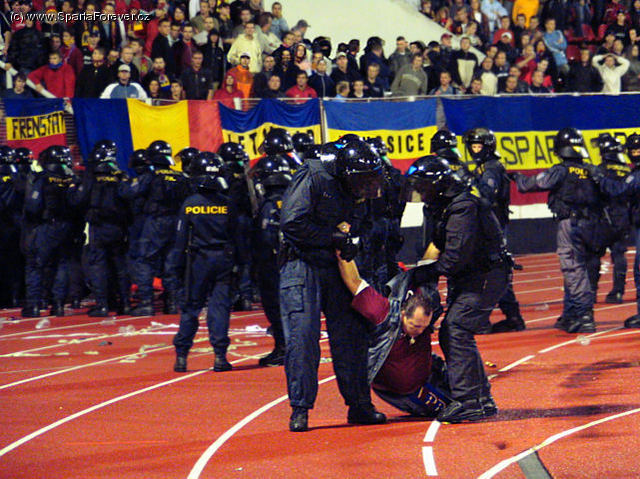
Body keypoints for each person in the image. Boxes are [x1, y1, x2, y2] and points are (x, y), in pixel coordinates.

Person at [280, 139, 388, 432]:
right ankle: (300, 408)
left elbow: (365, 224)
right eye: (362, 181)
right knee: (303, 336)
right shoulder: (314, 176)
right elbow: (291, 222)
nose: (366, 188)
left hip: (337, 263)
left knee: (352, 335)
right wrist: (332, 237)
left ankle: (359, 405)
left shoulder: (359, 188)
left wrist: (354, 242)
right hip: (302, 263)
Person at [405, 155, 510, 423]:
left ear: (438, 185)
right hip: (472, 275)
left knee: (456, 329)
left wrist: (425, 272)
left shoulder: (463, 207)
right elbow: (437, 246)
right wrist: (419, 272)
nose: (420, 193)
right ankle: (480, 399)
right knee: (455, 331)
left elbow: (454, 257)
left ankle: (468, 401)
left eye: (423, 187)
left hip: (485, 275)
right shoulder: (443, 206)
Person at [336, 256, 451, 418]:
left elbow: (428, 264)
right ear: (403, 314)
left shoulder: (427, 302)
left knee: (471, 398)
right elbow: (355, 282)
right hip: (403, 392)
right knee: (452, 410)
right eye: (415, 326)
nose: (420, 331)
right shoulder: (383, 313)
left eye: (424, 327)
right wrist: (342, 251)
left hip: (431, 373)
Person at [514, 128, 601, 333]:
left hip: (570, 224)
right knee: (584, 268)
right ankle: (570, 314)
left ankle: (584, 315)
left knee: (573, 268)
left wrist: (517, 177)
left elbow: (532, 184)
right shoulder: (591, 169)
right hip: (593, 224)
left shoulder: (561, 170)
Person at [169, 152, 237, 373]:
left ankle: (182, 356)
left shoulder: (190, 204)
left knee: (191, 307)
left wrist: (175, 269)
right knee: (219, 308)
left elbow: (180, 240)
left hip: (197, 261)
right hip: (223, 260)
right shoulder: (228, 204)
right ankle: (220, 356)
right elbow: (237, 236)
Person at [464, 129, 525, 333]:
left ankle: (488, 318)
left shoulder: (490, 168)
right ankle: (512, 316)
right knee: (496, 270)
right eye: (472, 146)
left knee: (492, 271)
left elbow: (486, 195)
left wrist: (468, 187)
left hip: (492, 227)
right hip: (490, 225)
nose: (475, 150)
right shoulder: (485, 167)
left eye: (478, 146)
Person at [129, 141, 190, 316]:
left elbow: (128, 192)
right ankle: (172, 303)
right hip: (176, 223)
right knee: (171, 263)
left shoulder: (150, 176)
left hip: (156, 222)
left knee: (144, 260)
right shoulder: (180, 177)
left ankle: (146, 303)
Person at [73, 141, 131, 316]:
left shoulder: (92, 176)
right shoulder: (121, 175)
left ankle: (103, 304)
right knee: (119, 265)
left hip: (98, 226)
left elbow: (78, 200)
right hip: (119, 227)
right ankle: (125, 303)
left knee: (98, 265)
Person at [21, 146, 78, 318]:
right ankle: (58, 305)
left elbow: (33, 206)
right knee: (62, 264)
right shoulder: (72, 178)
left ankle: (34, 305)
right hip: (67, 226)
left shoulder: (43, 178)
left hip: (47, 226)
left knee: (35, 265)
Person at [249, 155, 292, 366]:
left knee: (274, 306)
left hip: (273, 264)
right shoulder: (294, 200)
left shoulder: (269, 205)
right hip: (294, 262)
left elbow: (265, 237)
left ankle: (283, 348)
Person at [586, 134, 631, 304]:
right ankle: (618, 291)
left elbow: (592, 194)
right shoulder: (628, 171)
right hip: (623, 217)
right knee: (619, 254)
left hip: (603, 218)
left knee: (594, 254)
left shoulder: (600, 170)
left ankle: (591, 292)